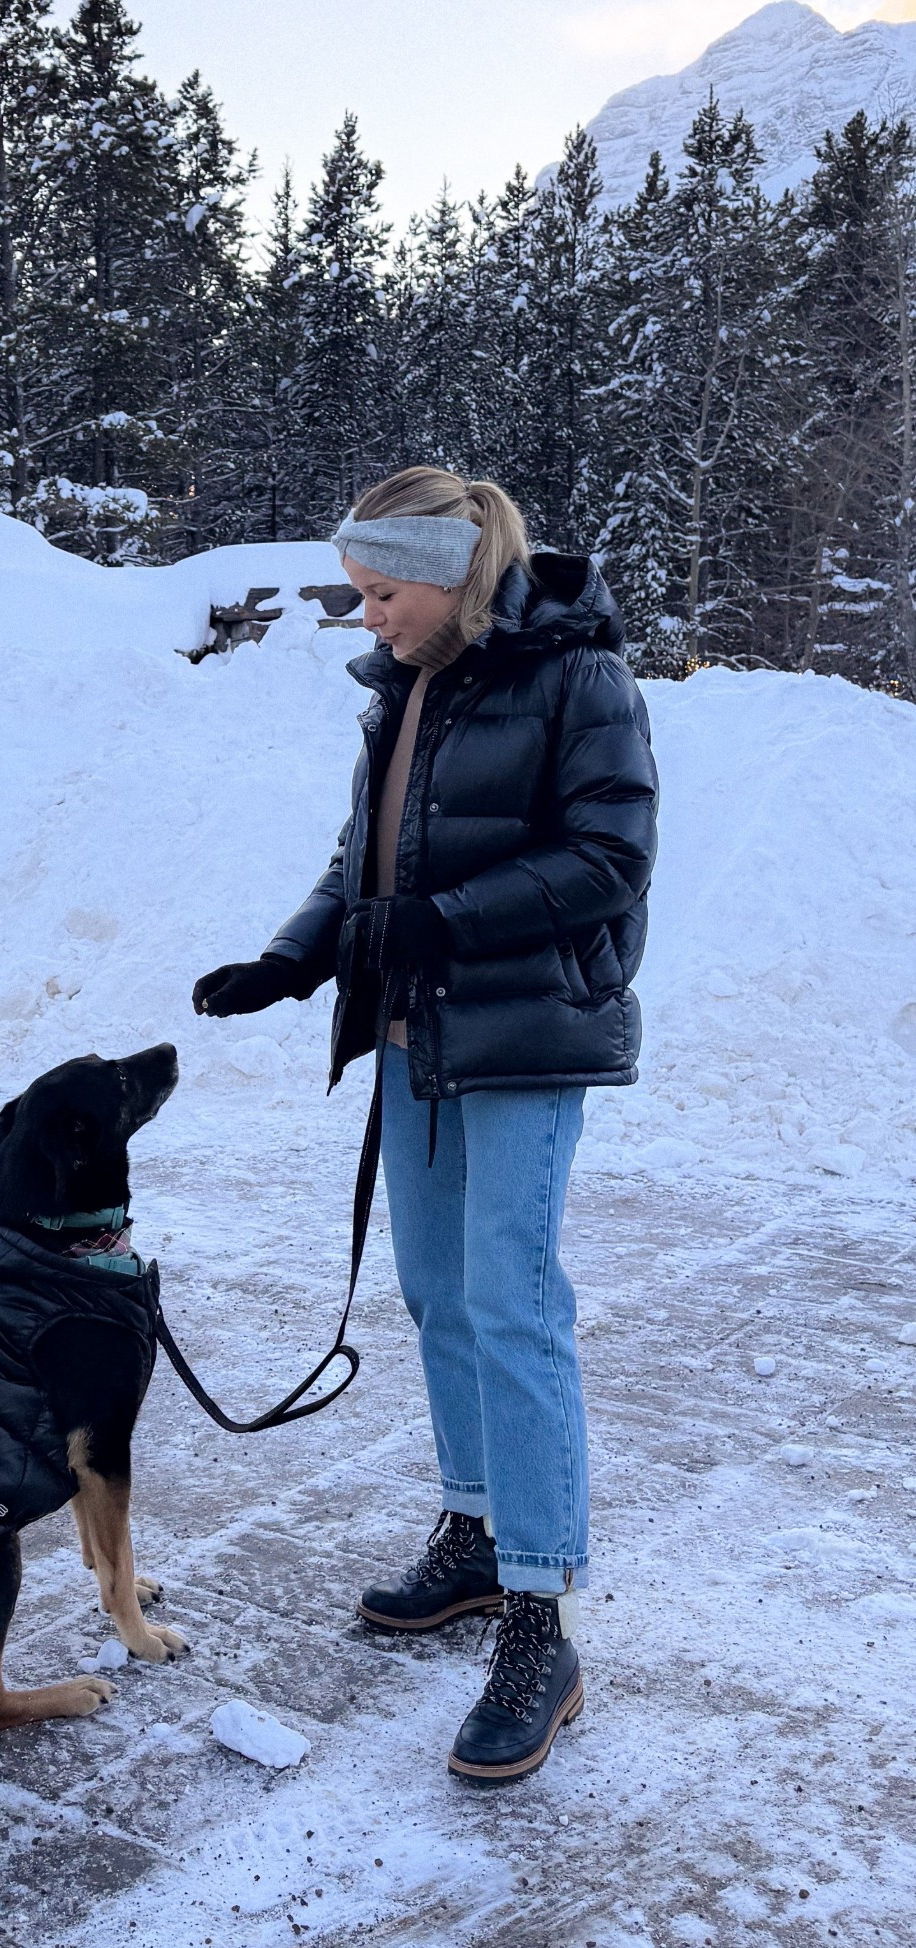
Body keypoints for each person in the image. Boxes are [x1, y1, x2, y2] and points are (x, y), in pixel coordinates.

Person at [193, 467, 658, 1782]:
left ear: (448, 580)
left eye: (380, 593)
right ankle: (472, 1529)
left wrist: (435, 927)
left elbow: (608, 864)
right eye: (359, 596)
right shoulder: (409, 691)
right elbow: (364, 862)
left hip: (519, 1042)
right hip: (413, 1039)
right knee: (438, 1298)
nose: (365, 619)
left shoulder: (581, 681)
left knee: (510, 1304)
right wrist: (296, 957)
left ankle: (542, 1613)